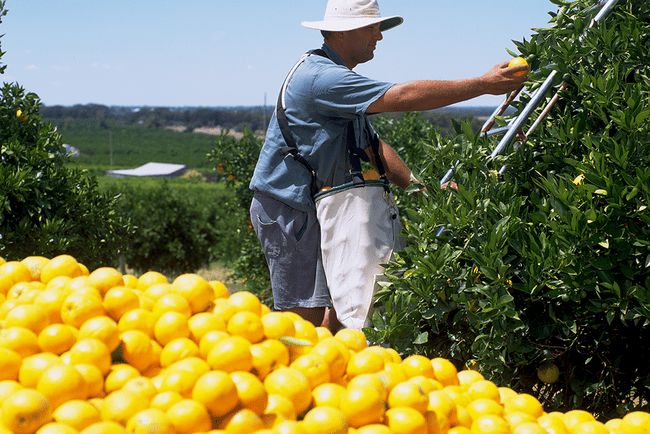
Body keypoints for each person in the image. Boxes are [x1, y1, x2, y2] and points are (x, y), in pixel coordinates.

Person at [249, 0, 528, 329]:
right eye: (372, 27)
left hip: (321, 206)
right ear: (345, 32)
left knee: (344, 305)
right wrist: (481, 86)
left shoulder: (335, 78)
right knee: (303, 319)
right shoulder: (322, 78)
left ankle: (340, 370)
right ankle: (297, 376)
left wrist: (419, 188)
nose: (379, 36)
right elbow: (403, 96)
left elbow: (373, 147)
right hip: (290, 207)